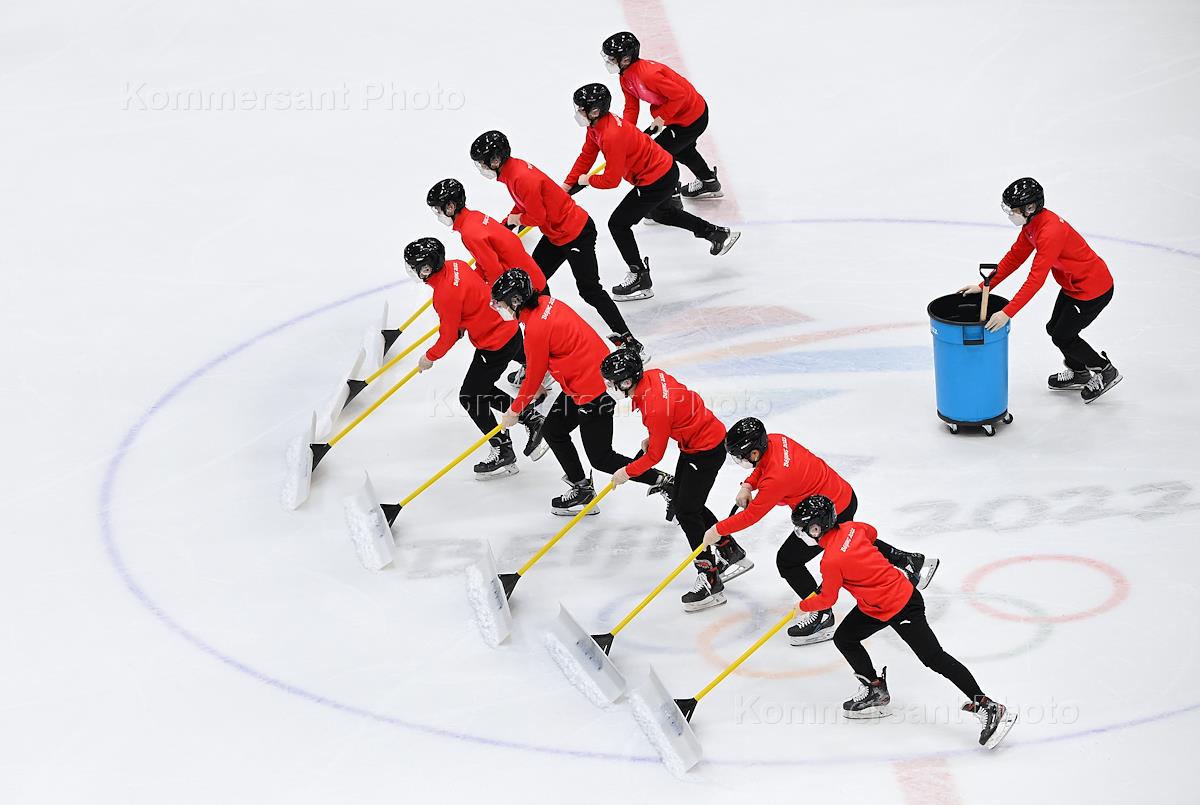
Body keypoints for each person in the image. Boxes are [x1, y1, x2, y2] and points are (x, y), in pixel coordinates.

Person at [788, 495, 1017, 750]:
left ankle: (988, 705)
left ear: (816, 528)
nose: (800, 533)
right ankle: (875, 689)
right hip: (876, 606)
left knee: (934, 658)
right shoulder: (853, 528)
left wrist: (802, 606)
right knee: (845, 638)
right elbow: (871, 535)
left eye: (802, 528)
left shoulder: (830, 561)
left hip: (902, 606)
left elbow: (827, 599)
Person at [702, 417, 937, 645]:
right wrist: (748, 484)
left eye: (740, 456)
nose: (740, 460)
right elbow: (762, 466)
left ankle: (822, 614)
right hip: (842, 496)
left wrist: (717, 530)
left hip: (829, 513)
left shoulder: (776, 478)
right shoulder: (776, 439)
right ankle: (907, 560)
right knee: (854, 541)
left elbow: (752, 515)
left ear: (754, 451)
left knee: (788, 561)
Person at [492, 269, 671, 515]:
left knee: (601, 458)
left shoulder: (535, 328)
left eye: (501, 304)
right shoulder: (546, 303)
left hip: (593, 393)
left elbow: (533, 376)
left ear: (515, 301)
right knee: (553, 429)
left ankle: (664, 482)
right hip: (585, 383)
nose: (499, 308)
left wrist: (514, 411)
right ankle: (582, 488)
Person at [468, 131, 646, 358]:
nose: (482, 168)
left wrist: (517, 220)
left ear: (495, 160)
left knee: (590, 290)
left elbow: (537, 217)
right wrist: (507, 225)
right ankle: (546, 336)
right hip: (557, 234)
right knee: (534, 281)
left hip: (576, 233)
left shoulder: (520, 177)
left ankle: (630, 342)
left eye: (483, 163)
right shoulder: (512, 172)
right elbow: (524, 203)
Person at [600, 349, 750, 612]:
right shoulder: (653, 377)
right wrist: (655, 434)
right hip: (696, 444)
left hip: (704, 451)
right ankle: (728, 549)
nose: (610, 387)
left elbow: (654, 456)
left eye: (612, 382)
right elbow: (677, 407)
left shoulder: (654, 407)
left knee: (687, 512)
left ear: (626, 381)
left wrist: (627, 472)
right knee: (686, 503)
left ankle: (710, 578)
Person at [565, 83, 740, 302]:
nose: (578, 113)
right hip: (663, 171)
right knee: (663, 214)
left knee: (618, 224)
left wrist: (587, 180)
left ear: (594, 111)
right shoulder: (597, 127)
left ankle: (639, 276)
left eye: (581, 109)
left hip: (656, 180)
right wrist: (566, 186)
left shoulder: (611, 135)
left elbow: (611, 180)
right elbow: (587, 156)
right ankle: (716, 234)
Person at [959, 177, 1120, 403]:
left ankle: (1105, 370)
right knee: (1054, 329)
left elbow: (1035, 280)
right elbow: (1015, 257)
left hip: (1092, 290)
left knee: (1063, 336)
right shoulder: (1032, 225)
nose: (1010, 214)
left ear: (1030, 207)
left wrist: (1007, 312)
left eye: (1013, 209)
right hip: (1073, 286)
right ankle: (1080, 372)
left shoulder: (1050, 232)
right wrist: (984, 286)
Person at [403, 238, 545, 478]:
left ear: (426, 268)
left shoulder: (444, 295)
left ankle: (503, 449)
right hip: (509, 330)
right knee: (482, 390)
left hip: (494, 344)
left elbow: (448, 337)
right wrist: (462, 322)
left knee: (470, 396)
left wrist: (429, 357)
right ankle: (530, 417)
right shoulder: (456, 265)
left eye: (416, 267)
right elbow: (471, 297)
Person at [602, 30, 724, 216]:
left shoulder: (648, 75)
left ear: (625, 59)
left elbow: (680, 95)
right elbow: (631, 107)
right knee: (683, 151)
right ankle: (709, 183)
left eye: (612, 58)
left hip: (692, 117)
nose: (608, 62)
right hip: (678, 117)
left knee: (659, 155)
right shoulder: (625, 76)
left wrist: (662, 118)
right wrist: (626, 133)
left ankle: (669, 203)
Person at [426, 178, 548, 294]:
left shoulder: (469, 233)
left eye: (438, 210)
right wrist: (474, 280)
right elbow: (486, 257)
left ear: (450, 207)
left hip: (526, 290)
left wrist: (490, 297)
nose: (438, 215)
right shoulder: (475, 216)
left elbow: (494, 271)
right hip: (532, 277)